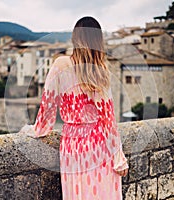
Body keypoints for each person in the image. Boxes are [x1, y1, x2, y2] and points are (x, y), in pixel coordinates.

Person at [20, 16, 128, 199]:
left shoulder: (61, 64)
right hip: (101, 145)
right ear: (98, 41)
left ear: (75, 38)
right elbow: (108, 118)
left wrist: (38, 130)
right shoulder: (101, 71)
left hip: (74, 144)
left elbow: (48, 105)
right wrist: (118, 154)